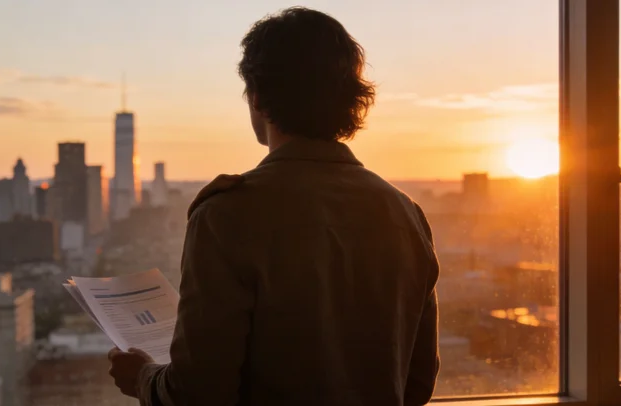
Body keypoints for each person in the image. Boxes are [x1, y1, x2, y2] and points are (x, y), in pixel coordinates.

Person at [108, 7, 440, 406]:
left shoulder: (227, 215)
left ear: (259, 97)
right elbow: (418, 384)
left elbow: (198, 394)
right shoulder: (404, 215)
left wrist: (143, 377)